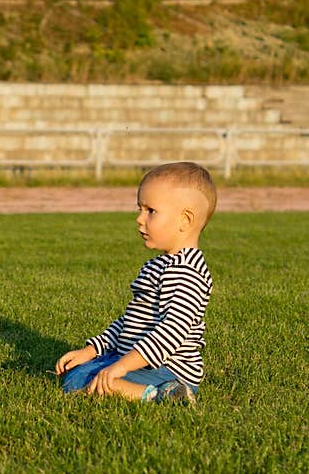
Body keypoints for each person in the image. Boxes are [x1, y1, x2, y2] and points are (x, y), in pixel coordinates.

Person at [54, 161, 216, 405]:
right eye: (140, 209)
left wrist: (121, 366)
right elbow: (127, 323)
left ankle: (160, 394)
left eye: (151, 211)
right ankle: (125, 381)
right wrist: (90, 351)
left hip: (167, 367)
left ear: (185, 220)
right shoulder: (156, 266)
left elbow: (171, 332)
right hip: (135, 358)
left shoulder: (188, 272)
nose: (139, 219)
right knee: (78, 374)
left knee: (82, 381)